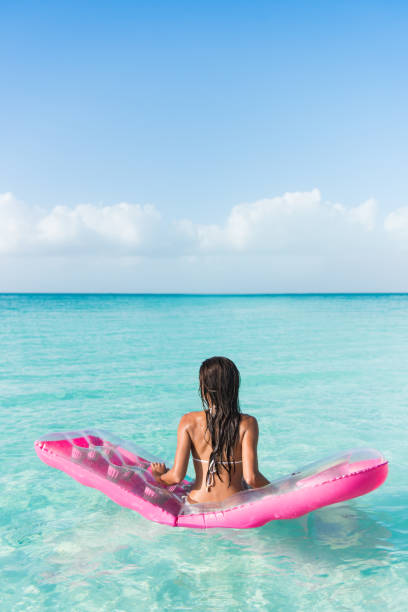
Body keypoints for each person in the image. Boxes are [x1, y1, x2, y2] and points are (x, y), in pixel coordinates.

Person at [151, 356, 269, 504]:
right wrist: (279, 490)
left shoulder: (188, 421)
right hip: (235, 505)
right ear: (234, 387)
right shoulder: (248, 423)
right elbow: (252, 477)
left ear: (203, 388)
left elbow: (176, 477)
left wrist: (159, 477)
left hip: (197, 504)